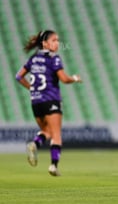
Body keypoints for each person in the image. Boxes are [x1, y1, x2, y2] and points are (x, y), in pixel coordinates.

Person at [15, 30, 81, 176]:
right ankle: (53, 165)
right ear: (45, 43)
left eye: (58, 40)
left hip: (36, 101)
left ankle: (35, 143)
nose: (57, 43)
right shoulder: (54, 59)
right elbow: (64, 79)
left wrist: (31, 88)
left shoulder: (33, 59)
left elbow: (18, 76)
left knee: (47, 132)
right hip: (51, 99)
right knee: (56, 134)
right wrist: (75, 78)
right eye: (54, 40)